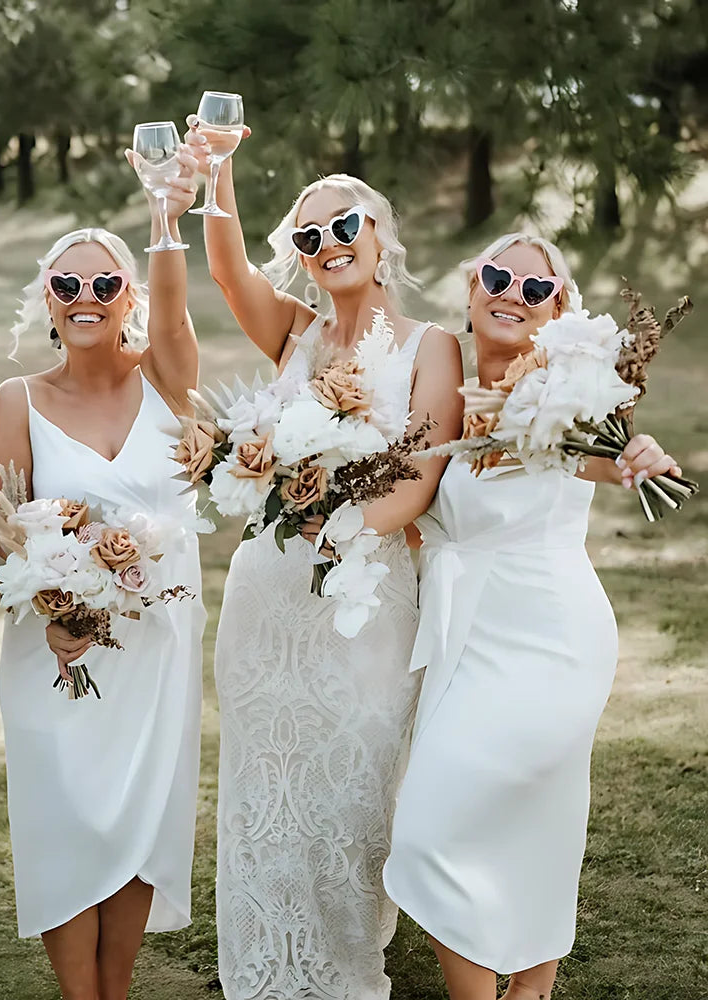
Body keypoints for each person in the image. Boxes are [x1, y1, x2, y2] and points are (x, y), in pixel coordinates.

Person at [185, 115, 464, 999]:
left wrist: (336, 533)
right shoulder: (296, 336)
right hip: (270, 596)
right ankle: (267, 970)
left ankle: (346, 967)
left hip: (367, 596)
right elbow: (227, 269)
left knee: (353, 786)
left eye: (345, 225)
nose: (328, 243)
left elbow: (418, 481)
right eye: (309, 235)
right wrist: (216, 177)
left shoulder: (434, 347)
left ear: (381, 237)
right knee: (268, 786)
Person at [382, 232, 684, 1000]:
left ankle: (533, 985)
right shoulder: (440, 388)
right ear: (471, 290)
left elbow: (599, 455)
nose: (512, 290)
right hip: (467, 638)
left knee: (514, 818)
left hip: (552, 639)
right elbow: (420, 508)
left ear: (557, 310)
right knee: (436, 830)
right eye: (496, 275)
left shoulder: (568, 390)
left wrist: (634, 455)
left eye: (534, 285)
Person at [0, 149, 205, 1000]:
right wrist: (56, 603)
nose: (86, 300)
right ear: (47, 300)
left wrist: (165, 218)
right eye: (67, 287)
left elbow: (179, 314)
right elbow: (5, 531)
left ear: (130, 299)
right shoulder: (16, 400)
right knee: (69, 816)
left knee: (144, 813)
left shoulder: (169, 384)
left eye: (105, 286)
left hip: (156, 645)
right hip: (60, 648)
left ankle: (116, 990)